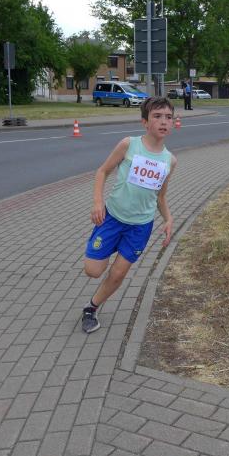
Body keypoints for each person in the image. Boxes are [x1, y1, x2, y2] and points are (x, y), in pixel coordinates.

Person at [81, 97, 177, 333]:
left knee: (118, 274)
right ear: (145, 122)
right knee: (93, 271)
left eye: (168, 117)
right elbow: (102, 171)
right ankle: (108, 247)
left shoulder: (170, 160)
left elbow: (160, 196)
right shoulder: (129, 144)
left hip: (140, 227)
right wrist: (97, 202)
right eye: (157, 116)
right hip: (112, 218)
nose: (163, 121)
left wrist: (168, 219)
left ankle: (91, 308)